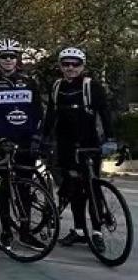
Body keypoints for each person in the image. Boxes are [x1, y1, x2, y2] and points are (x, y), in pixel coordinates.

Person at [42, 47, 115, 251]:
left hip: (89, 143)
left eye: (75, 64)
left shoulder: (92, 86)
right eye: (66, 64)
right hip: (66, 144)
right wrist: (43, 137)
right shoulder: (57, 87)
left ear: (82, 66)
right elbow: (51, 115)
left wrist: (110, 138)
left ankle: (97, 231)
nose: (70, 68)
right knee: (73, 189)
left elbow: (105, 113)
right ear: (60, 66)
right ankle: (79, 230)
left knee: (92, 188)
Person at [0, 38, 45, 251]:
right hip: (3, 142)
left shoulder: (30, 82)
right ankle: (6, 230)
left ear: (17, 58)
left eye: (12, 56)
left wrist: (36, 137)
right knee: (2, 186)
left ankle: (25, 232)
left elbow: (37, 111)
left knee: (25, 187)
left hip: (26, 142)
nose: (8, 60)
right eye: (3, 56)